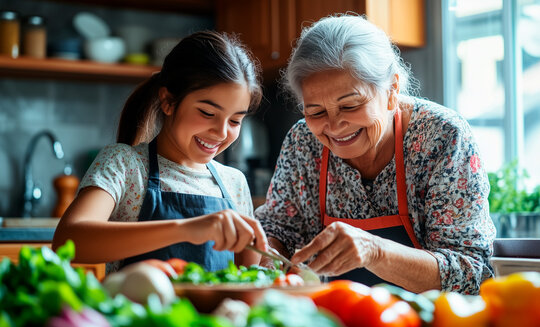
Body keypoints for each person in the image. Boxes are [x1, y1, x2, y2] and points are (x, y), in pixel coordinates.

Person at [255, 14, 495, 295]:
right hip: (335, 323)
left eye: (350, 105)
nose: (333, 127)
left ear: (392, 89)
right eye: (316, 111)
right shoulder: (302, 142)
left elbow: (472, 273)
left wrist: (375, 251)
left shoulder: (442, 137)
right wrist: (268, 265)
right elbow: (278, 231)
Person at [53, 30, 268, 273]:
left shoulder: (234, 182)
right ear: (168, 101)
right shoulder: (124, 165)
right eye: (208, 113)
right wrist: (185, 229)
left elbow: (244, 277)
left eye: (235, 121)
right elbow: (67, 241)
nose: (220, 132)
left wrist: (257, 250)